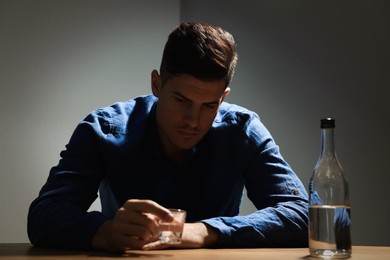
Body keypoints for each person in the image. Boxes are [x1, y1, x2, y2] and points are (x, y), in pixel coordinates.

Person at [28, 22, 308, 253]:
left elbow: (304, 215)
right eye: (181, 100)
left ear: (223, 98)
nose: (192, 120)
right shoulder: (103, 128)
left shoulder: (243, 129)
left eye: (209, 105)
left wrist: (202, 232)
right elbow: (44, 215)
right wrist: (107, 232)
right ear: (157, 84)